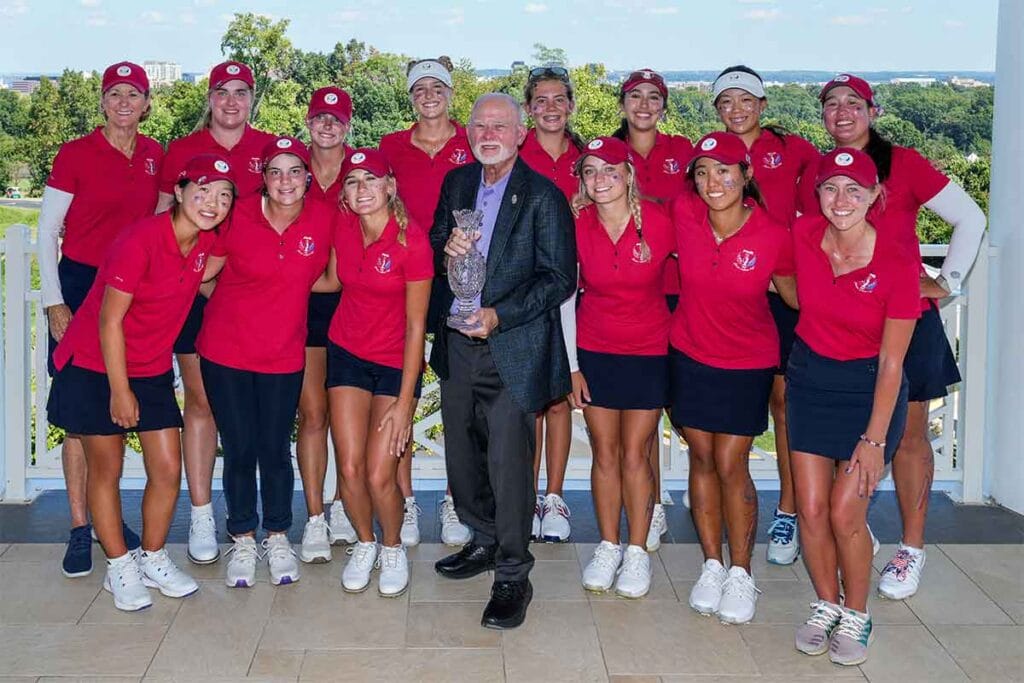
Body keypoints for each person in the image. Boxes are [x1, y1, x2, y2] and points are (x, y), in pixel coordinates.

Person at [813, 74, 986, 599]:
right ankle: (852, 524)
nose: (842, 113)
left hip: (907, 317)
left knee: (909, 434)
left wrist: (945, 283)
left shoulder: (904, 163)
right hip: (845, 322)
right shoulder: (822, 172)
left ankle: (911, 548)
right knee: (853, 429)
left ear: (874, 111)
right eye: (831, 105)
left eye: (854, 104)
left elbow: (970, 218)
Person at [47, 154, 234, 611]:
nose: (212, 202)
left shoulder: (206, 248)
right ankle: (118, 566)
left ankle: (152, 557)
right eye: (203, 191)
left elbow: (231, 264)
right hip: (97, 365)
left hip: (149, 366)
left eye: (224, 196)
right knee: (105, 469)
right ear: (182, 191)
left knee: (168, 468)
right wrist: (120, 389)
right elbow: (110, 321)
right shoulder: (141, 239)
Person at [429, 93, 576, 629]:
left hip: (512, 350)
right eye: (479, 125)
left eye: (500, 125)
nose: (487, 133)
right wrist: (445, 248)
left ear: (521, 133)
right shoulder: (456, 184)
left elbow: (560, 278)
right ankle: (484, 540)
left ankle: (514, 573)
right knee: (463, 461)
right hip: (457, 346)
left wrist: (499, 314)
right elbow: (433, 245)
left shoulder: (543, 195)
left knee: (509, 468)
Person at [789, 148, 920, 666]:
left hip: (870, 389)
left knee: (847, 512)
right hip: (809, 381)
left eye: (854, 189)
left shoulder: (898, 260)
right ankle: (826, 604)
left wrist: (874, 439)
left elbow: (893, 365)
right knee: (813, 509)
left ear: (874, 196)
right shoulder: (801, 237)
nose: (840, 200)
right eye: (830, 188)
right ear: (817, 194)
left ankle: (857, 613)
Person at [40, 60, 161, 578]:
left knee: (120, 400)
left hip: (133, 291)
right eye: (114, 94)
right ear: (103, 102)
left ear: (146, 103)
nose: (124, 103)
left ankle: (108, 518)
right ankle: (79, 526)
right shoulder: (76, 154)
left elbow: (160, 227)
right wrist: (53, 302)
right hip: (82, 285)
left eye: (133, 94)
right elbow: (47, 231)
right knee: (79, 412)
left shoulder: (155, 155)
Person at [670, 132, 797, 625]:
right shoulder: (684, 215)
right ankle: (711, 565)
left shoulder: (773, 234)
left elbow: (795, 298)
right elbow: (629, 202)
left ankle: (742, 573)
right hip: (690, 354)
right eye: (702, 172)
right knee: (701, 457)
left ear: (746, 176)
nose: (712, 181)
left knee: (730, 460)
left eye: (724, 170)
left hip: (747, 361)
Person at [155, 61, 277, 566]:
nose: (232, 101)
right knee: (202, 401)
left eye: (241, 92)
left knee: (257, 414)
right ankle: (204, 511)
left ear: (253, 98)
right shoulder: (181, 150)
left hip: (254, 301)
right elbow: (163, 220)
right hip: (195, 296)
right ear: (209, 97)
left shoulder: (270, 148)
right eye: (222, 92)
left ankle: (262, 524)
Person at [197, 137, 333, 588]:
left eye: (295, 170)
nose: (285, 180)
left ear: (307, 177)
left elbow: (333, 278)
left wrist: (287, 291)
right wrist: (235, 305)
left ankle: (277, 535)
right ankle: (241, 537)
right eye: (275, 171)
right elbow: (202, 276)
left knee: (275, 448)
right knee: (239, 448)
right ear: (264, 179)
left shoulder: (324, 217)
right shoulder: (238, 216)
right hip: (226, 351)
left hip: (283, 353)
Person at [711, 65, 821, 567]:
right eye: (726, 102)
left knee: (785, 404)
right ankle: (728, 488)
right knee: (744, 402)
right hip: (738, 292)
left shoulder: (795, 149)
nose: (737, 110)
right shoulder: (714, 154)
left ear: (763, 104)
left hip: (785, 289)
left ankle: (789, 510)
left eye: (746, 100)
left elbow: (825, 209)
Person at [314, 149, 432, 596]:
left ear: (389, 186)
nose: (361, 189)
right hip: (346, 351)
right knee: (349, 466)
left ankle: (392, 546)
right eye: (351, 182)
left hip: (394, 362)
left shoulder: (412, 242)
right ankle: (365, 542)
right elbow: (330, 279)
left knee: (381, 474)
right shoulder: (341, 226)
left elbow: (417, 326)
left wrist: (405, 404)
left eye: (370, 180)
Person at [565, 137, 674, 598]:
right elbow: (566, 297)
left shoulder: (661, 222)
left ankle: (635, 551)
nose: (600, 179)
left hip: (649, 350)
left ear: (629, 175)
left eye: (610, 170)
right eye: (590, 171)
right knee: (603, 452)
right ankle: (608, 544)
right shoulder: (576, 224)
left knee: (636, 453)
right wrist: (571, 366)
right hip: (595, 350)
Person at [380, 56, 474, 547]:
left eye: (438, 87)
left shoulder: (472, 142)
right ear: (410, 96)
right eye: (420, 88)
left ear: (451, 93)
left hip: (462, 279)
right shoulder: (391, 147)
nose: (429, 95)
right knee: (406, 389)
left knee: (459, 391)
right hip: (405, 277)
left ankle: (457, 499)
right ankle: (406, 499)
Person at [612, 69, 694, 549]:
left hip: (679, 292)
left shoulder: (682, 152)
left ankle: (657, 500)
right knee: (635, 415)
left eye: (653, 98)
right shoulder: (602, 151)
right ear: (622, 103)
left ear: (664, 105)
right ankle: (651, 507)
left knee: (669, 409)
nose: (644, 105)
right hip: (626, 296)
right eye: (635, 96)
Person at [518, 65, 584, 543]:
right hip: (526, 288)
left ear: (571, 104)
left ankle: (554, 497)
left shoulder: (590, 158)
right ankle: (524, 495)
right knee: (530, 400)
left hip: (578, 287)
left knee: (559, 398)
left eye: (558, 98)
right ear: (528, 109)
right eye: (539, 100)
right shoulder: (515, 156)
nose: (549, 108)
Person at [296, 86, 358, 564]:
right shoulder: (289, 167)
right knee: (313, 413)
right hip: (304, 303)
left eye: (336, 119)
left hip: (357, 303)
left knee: (345, 416)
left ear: (348, 125)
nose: (328, 125)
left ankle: (341, 504)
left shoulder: (362, 170)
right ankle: (315, 514)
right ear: (308, 122)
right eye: (320, 117)